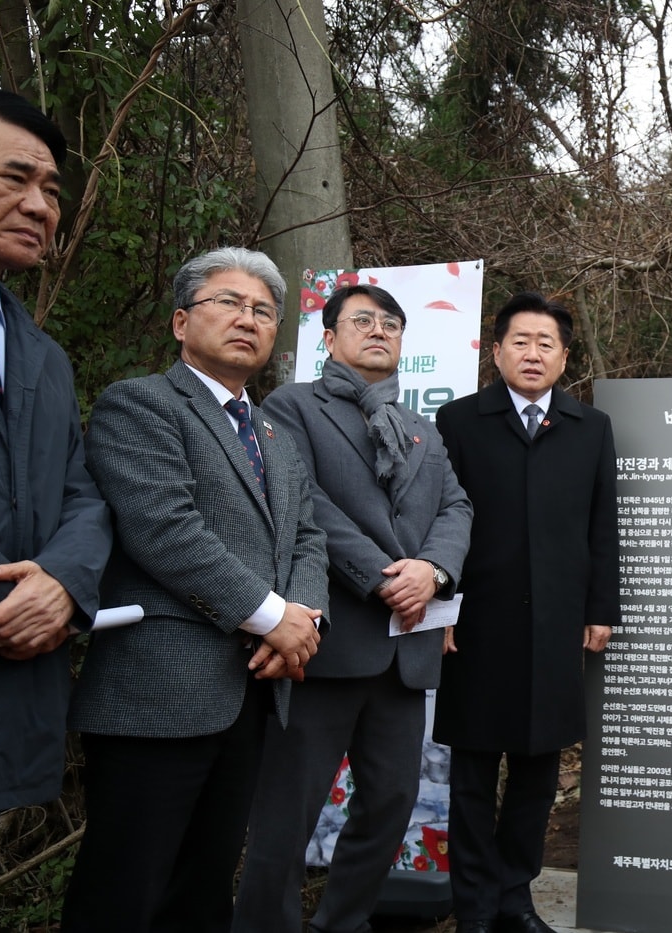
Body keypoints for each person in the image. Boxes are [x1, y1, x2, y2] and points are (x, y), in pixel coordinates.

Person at [62, 247, 329, 932]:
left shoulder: (277, 433)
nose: (249, 319)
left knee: (203, 891)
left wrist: (304, 620)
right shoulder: (141, 404)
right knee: (123, 890)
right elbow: (166, 530)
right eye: (229, 303)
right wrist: (272, 616)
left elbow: (308, 538)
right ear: (182, 321)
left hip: (250, 693)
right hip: (157, 695)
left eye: (264, 311)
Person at [234, 283, 472, 932]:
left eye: (390, 323)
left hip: (406, 650)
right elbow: (302, 501)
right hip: (323, 644)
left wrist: (434, 569)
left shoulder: (423, 426)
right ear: (330, 338)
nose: (378, 330)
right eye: (361, 320)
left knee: (392, 804)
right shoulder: (291, 406)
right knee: (288, 813)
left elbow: (457, 508)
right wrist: (382, 575)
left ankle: (341, 921)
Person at [0, 87, 111, 930]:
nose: (38, 205)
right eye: (14, 177)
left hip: (4, 701)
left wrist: (63, 579)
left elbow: (82, 491)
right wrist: (8, 598)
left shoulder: (41, 355)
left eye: (52, 189)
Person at [433, 291, 619, 933]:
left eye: (547, 343)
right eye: (521, 340)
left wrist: (601, 608)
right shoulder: (458, 421)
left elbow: (603, 525)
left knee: (538, 775)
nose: (533, 353)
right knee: (474, 775)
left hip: (557, 625)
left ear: (565, 358)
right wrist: (441, 606)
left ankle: (516, 898)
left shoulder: (589, 427)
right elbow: (436, 519)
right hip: (476, 622)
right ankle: (475, 906)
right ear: (496, 351)